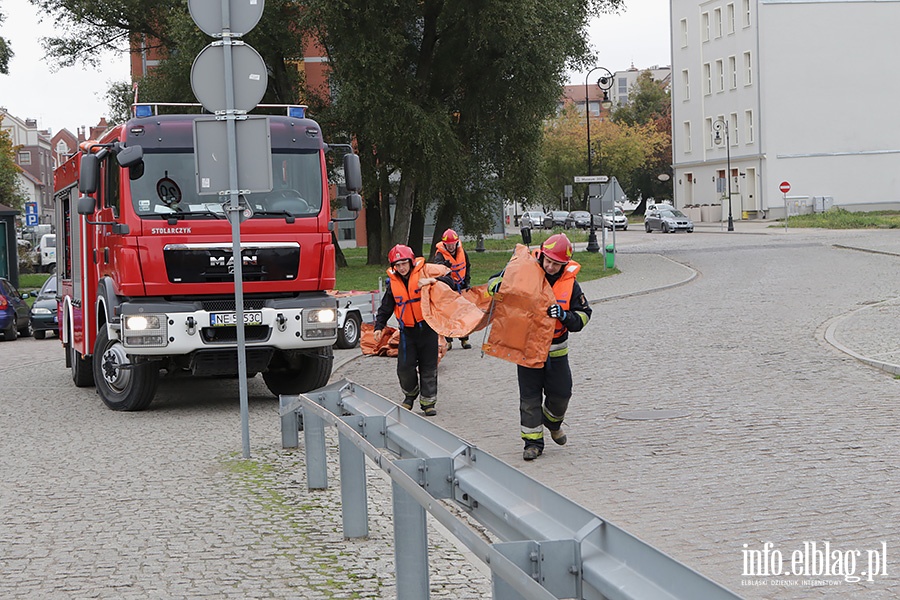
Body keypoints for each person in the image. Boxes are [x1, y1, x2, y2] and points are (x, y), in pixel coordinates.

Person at [488, 233, 592, 461]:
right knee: (529, 398)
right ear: (542, 255)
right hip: (527, 348)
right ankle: (532, 443)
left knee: (562, 394)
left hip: (557, 353)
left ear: (564, 264)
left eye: (557, 264)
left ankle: (553, 423)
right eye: (548, 261)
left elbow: (584, 317)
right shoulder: (525, 271)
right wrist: (497, 285)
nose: (551, 266)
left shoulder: (571, 285)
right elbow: (493, 282)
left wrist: (564, 316)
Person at [374, 244, 440, 416]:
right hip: (407, 332)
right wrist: (379, 326)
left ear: (411, 262)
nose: (402, 267)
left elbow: (450, 280)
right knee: (404, 367)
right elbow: (385, 307)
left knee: (429, 367)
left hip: (428, 329)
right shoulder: (394, 285)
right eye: (398, 265)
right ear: (393, 267)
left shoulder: (425, 273)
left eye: (404, 263)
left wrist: (432, 281)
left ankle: (428, 402)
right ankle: (410, 395)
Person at [431, 228, 472, 349]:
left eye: (452, 244)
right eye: (448, 245)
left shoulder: (462, 252)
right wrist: (444, 266)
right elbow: (436, 268)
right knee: (448, 314)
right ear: (444, 244)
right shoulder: (440, 255)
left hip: (461, 285)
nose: (451, 247)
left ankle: (465, 339)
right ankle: (448, 340)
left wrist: (468, 282)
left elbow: (467, 266)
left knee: (463, 313)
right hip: (448, 287)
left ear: (456, 243)